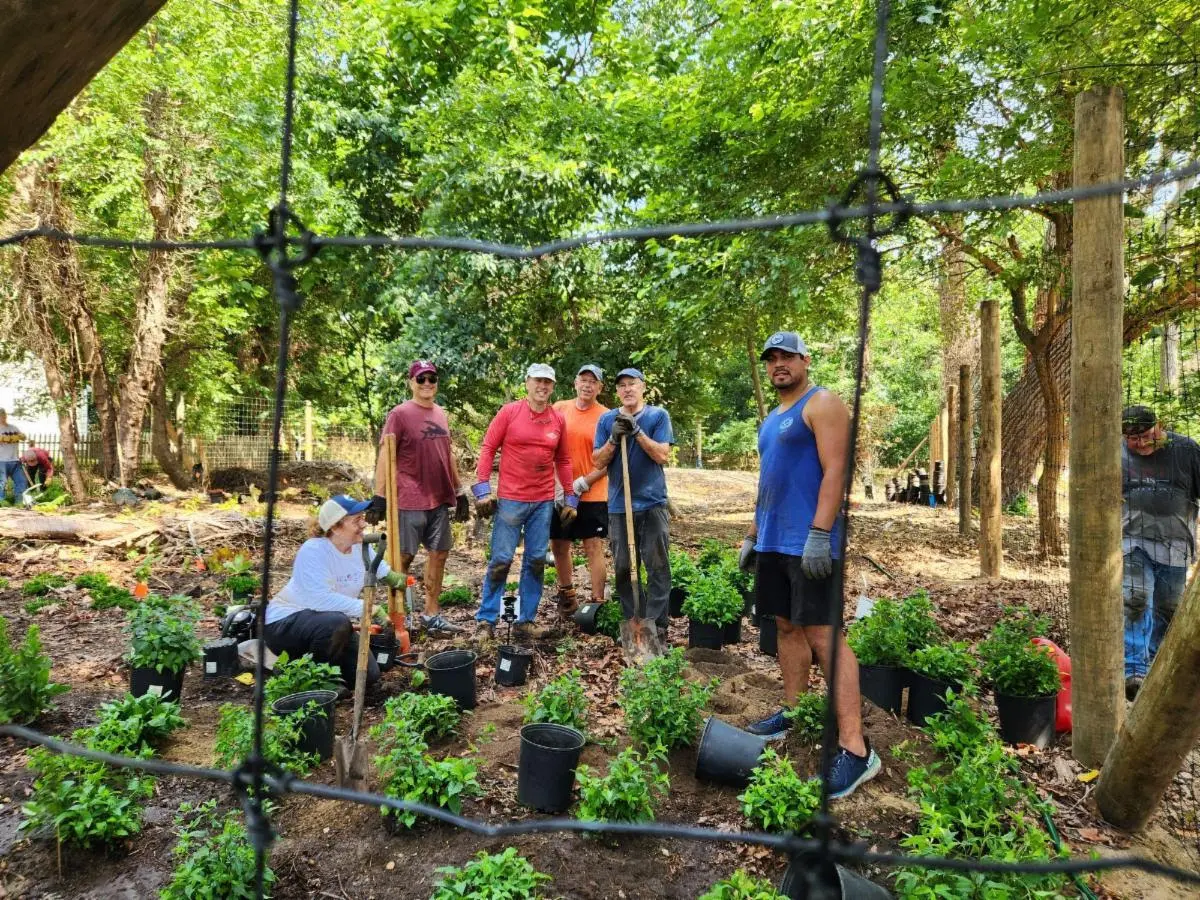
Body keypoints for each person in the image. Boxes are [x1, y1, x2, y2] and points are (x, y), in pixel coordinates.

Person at [742, 331, 879, 799]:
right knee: (784, 626)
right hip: (775, 542)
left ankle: (856, 749)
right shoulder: (769, 420)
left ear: (804, 359)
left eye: (786, 356)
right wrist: (752, 534)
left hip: (811, 543)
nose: (778, 364)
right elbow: (768, 481)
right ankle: (795, 711)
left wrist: (821, 533)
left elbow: (836, 470)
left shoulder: (823, 404)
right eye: (771, 358)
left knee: (825, 636)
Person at [472, 364, 577, 642]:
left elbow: (564, 460)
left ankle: (525, 621)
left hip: (542, 503)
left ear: (553, 387)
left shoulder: (557, 420)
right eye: (537, 381)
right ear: (527, 383)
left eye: (548, 382)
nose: (542, 386)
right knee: (501, 560)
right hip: (510, 500)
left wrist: (570, 497)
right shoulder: (509, 412)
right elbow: (488, 448)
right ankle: (486, 621)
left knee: (535, 561)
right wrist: (482, 489)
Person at [369, 360, 470, 636]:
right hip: (408, 497)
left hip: (438, 498)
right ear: (411, 382)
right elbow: (385, 454)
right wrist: (379, 496)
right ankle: (396, 616)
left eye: (432, 378)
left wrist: (459, 491)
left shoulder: (440, 414)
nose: (427, 384)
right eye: (421, 379)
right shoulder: (399, 414)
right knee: (403, 557)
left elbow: (447, 454)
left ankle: (432, 615)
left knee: (439, 553)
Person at [264, 495, 406, 688]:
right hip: (285, 625)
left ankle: (292, 666)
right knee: (336, 622)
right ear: (335, 527)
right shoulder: (313, 551)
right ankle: (317, 681)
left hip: (328, 627)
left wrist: (401, 581)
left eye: (363, 517)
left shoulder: (360, 547)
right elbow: (319, 601)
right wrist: (369, 609)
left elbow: (383, 572)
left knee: (369, 675)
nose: (364, 524)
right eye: (357, 520)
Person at [1120, 405, 1200, 699]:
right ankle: (1134, 670)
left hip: (1176, 546)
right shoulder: (1117, 452)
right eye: (1132, 439)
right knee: (1136, 598)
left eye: (1144, 435)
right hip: (1132, 540)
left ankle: (1154, 666)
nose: (1139, 443)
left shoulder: (1187, 450)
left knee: (1167, 609)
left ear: (1159, 426)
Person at [591, 368, 674, 641]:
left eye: (632, 384)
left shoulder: (658, 416)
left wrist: (637, 432)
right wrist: (614, 438)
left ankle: (656, 625)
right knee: (624, 567)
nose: (627, 389)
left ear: (642, 387)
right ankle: (633, 622)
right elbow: (598, 461)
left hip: (651, 504)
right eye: (622, 386)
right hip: (618, 506)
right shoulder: (606, 420)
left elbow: (663, 455)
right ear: (616, 391)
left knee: (657, 565)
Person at [550, 364, 610, 616]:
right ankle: (567, 595)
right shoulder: (559, 408)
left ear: (600, 387)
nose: (587, 385)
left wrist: (584, 482)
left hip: (592, 492)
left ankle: (596, 603)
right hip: (561, 491)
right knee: (559, 543)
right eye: (583, 380)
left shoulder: (607, 416)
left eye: (592, 381)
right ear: (575, 383)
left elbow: (610, 458)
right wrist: (555, 484)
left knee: (592, 545)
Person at [0, 408, 28, 504]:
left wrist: (22, 436)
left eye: (3, 415)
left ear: (5, 415)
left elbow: (23, 437)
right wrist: (6, 438)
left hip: (15, 460)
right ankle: (1, 503)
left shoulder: (13, 427)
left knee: (21, 481)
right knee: (1, 483)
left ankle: (19, 502)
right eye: (0, 415)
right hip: (1, 461)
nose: (2, 417)